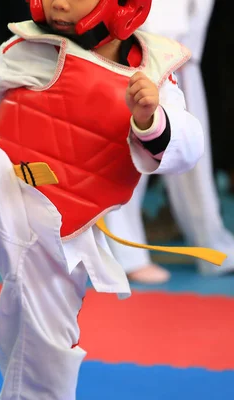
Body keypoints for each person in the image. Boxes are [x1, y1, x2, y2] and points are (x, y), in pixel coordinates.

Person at [0, 0, 220, 398]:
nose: (57, 4)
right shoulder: (31, 47)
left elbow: (188, 147)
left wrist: (150, 119)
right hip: (3, 183)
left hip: (60, 232)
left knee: (43, 347)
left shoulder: (152, 72)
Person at [104, 0, 234, 282]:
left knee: (191, 151)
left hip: (181, 49)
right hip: (132, 44)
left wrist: (189, 48)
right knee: (128, 153)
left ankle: (212, 244)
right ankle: (126, 255)